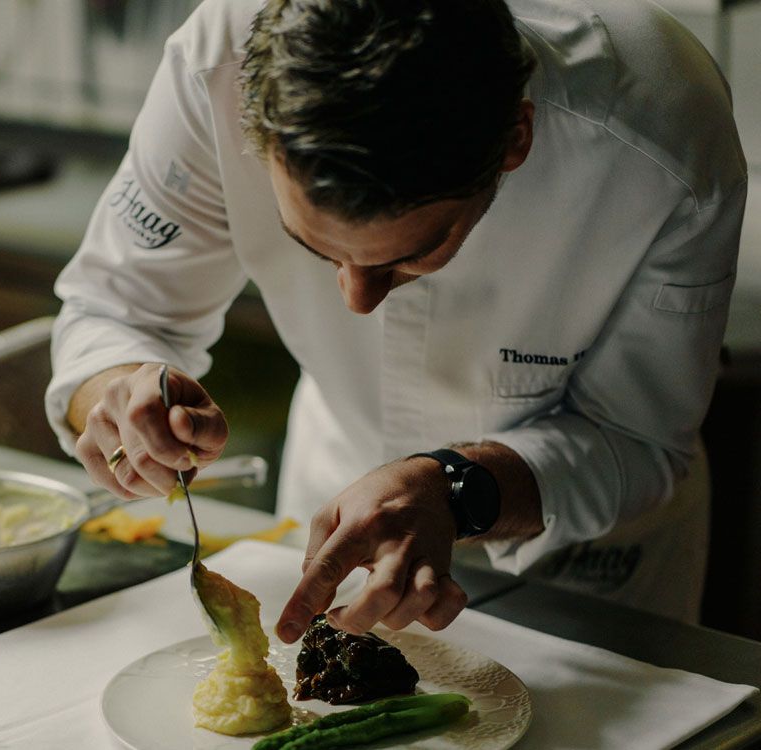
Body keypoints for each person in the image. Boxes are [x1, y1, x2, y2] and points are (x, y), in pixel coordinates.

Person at [45, 0, 747, 641]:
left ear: (516, 138)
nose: (358, 300)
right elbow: (118, 307)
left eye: (410, 256)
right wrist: (121, 387)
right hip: (336, 512)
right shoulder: (216, 71)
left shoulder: (661, 125)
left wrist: (455, 488)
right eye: (315, 249)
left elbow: (637, 435)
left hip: (587, 566)